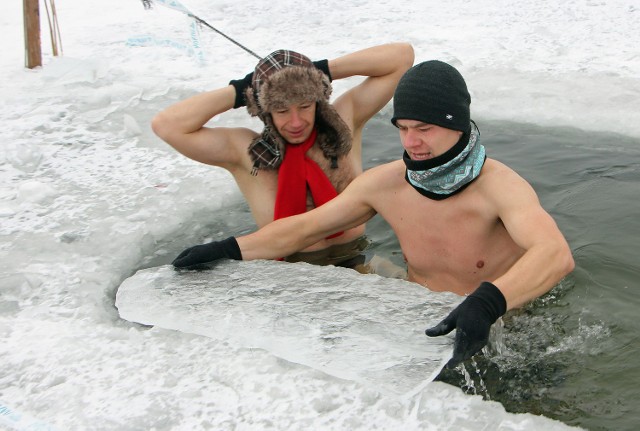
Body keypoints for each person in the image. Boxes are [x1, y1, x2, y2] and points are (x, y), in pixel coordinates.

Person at [170, 60, 575, 368]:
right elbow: (302, 229)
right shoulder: (386, 183)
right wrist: (227, 248)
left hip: (505, 330)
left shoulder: (500, 186)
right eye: (402, 127)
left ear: (456, 123)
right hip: (421, 322)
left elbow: (554, 254)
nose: (411, 142)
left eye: (424, 129)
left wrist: (488, 303)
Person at [152, 43, 415, 267]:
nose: (296, 121)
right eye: (281, 110)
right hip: (288, 276)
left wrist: (315, 72)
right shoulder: (243, 151)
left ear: (317, 100)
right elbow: (167, 125)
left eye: (304, 106)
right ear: (264, 110)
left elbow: (401, 57)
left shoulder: (344, 123)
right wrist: (245, 89)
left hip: (356, 256)